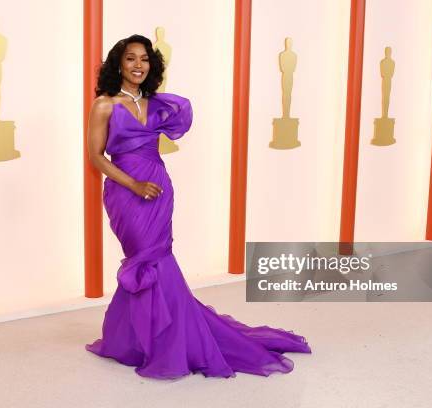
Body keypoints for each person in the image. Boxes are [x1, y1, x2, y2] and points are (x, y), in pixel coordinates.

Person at [85, 34, 311, 379]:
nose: (138, 65)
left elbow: (174, 126)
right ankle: (150, 339)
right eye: (131, 58)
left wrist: (147, 183)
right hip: (124, 191)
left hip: (159, 186)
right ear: (119, 63)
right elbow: (95, 157)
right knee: (144, 259)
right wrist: (132, 184)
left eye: (144, 59)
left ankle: (148, 340)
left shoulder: (156, 104)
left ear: (152, 65)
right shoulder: (104, 104)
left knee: (158, 259)